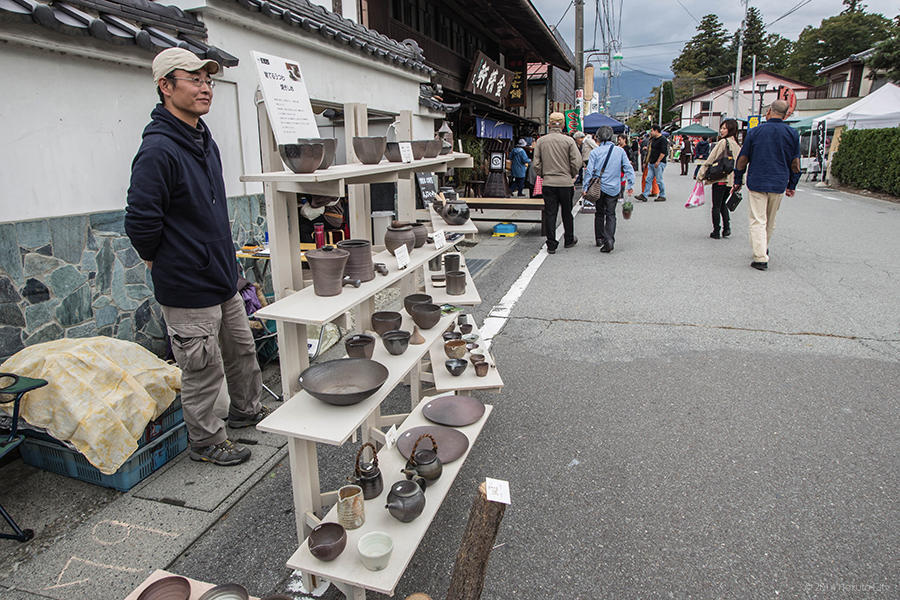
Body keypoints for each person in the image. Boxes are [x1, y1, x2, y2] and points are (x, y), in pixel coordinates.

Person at [125, 48, 269, 467]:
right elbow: (140, 220)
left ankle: (247, 411)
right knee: (202, 367)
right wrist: (159, 259)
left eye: (208, 80)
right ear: (166, 87)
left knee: (242, 350)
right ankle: (207, 441)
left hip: (222, 275)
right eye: (194, 79)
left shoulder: (202, 138)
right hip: (187, 283)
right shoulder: (158, 150)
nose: (206, 87)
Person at [732, 100, 801, 271]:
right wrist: (792, 184)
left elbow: (742, 159)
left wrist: (737, 180)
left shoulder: (755, 132)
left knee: (757, 219)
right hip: (779, 181)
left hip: (757, 180)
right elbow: (795, 162)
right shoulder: (792, 134)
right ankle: (763, 247)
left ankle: (760, 256)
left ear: (769, 111)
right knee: (770, 219)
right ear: (786, 115)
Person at [533, 112, 582, 253]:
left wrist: (544, 174)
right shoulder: (569, 141)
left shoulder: (542, 141)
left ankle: (551, 244)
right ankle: (569, 239)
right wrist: (571, 174)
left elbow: (536, 164)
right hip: (565, 182)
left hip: (548, 182)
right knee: (567, 212)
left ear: (549, 124)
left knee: (550, 213)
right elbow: (576, 162)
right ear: (562, 124)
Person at [584, 126, 635, 252]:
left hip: (598, 187)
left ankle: (599, 238)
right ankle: (609, 240)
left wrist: (585, 187)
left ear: (598, 137)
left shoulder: (595, 152)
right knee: (611, 214)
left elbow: (589, 172)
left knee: (599, 212)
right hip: (614, 187)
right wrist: (630, 184)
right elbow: (628, 168)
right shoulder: (620, 151)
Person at [696, 119, 741, 239]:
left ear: (730, 130)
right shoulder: (737, 145)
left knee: (716, 205)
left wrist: (701, 175)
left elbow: (711, 159)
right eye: (721, 128)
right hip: (731, 180)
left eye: (725, 128)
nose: (721, 130)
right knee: (723, 204)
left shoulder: (723, 143)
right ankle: (727, 228)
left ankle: (716, 230)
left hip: (721, 177)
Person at [635, 125, 667, 202]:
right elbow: (650, 150)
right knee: (648, 179)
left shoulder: (663, 139)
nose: (651, 132)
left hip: (659, 163)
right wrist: (647, 161)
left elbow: (664, 152)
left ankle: (662, 195)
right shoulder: (653, 139)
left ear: (656, 131)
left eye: (652, 130)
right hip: (651, 162)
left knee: (659, 180)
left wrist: (658, 161)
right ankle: (644, 195)